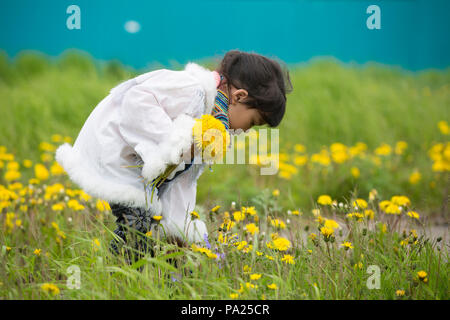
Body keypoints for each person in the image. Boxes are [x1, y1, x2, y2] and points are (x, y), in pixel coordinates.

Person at [55, 49, 292, 259]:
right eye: (252, 123)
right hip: (112, 149)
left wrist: (183, 231)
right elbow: (137, 101)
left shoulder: (207, 129)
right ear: (239, 96)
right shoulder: (192, 90)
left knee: (162, 238)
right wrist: (171, 144)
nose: (243, 131)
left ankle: (160, 276)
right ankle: (119, 275)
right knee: (137, 226)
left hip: (134, 165)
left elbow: (182, 180)